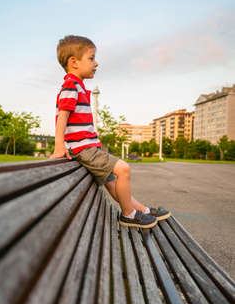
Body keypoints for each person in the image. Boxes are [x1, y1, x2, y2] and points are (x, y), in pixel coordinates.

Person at [50, 35, 170, 228]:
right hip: (82, 149)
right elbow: (61, 117)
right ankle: (128, 215)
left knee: (114, 183)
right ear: (73, 62)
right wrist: (59, 146)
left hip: (89, 148)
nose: (96, 63)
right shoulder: (70, 86)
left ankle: (143, 211)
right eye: (91, 58)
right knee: (123, 168)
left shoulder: (78, 86)